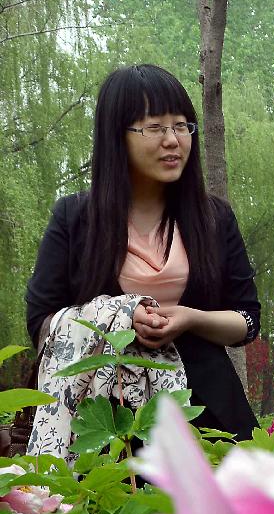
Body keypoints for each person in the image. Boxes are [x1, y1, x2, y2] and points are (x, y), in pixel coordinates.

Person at [25, 64, 260, 439]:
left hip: (208, 413)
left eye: (182, 125)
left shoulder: (214, 217)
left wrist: (191, 318)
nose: (173, 140)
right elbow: (41, 321)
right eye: (155, 128)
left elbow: (247, 321)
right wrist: (119, 317)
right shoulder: (74, 219)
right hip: (107, 419)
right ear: (117, 136)